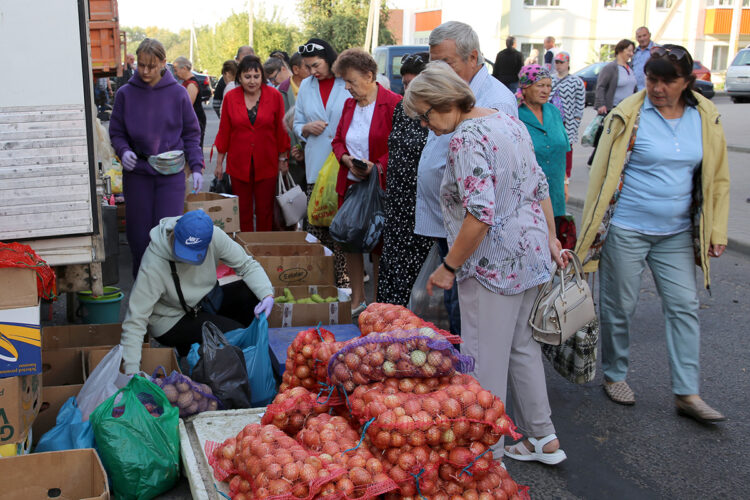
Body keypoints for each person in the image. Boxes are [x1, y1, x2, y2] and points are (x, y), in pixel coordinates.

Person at [404, 61, 568, 465]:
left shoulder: (465, 138)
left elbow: (480, 212)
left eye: (425, 116)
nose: (426, 125)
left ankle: (484, 449)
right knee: (522, 347)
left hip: (492, 263)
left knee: (483, 358)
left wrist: (450, 265)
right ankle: (542, 438)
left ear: (444, 101)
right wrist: (550, 238)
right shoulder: (508, 121)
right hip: (529, 255)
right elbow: (539, 185)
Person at [575, 45, 730, 423]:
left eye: (668, 81)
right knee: (620, 307)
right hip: (627, 228)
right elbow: (600, 178)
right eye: (652, 79)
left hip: (677, 232)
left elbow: (718, 177)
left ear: (688, 82)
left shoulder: (704, 116)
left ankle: (687, 392)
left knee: (684, 306)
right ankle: (615, 375)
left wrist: (718, 228)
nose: (658, 88)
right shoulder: (629, 114)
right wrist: (591, 232)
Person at [415, 21, 517, 337]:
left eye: (446, 63)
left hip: (476, 237)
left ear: (473, 57)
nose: (439, 70)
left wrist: (449, 266)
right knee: (458, 310)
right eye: (434, 63)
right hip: (451, 226)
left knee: (471, 322)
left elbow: (498, 194)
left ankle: (473, 380)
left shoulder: (494, 103)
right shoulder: (452, 93)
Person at [119, 210, 274, 374]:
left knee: (249, 295)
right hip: (171, 319)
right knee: (235, 334)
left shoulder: (215, 236)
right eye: (183, 251)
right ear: (175, 234)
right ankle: (196, 351)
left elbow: (246, 265)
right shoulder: (153, 263)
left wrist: (267, 294)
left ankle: (218, 355)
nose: (186, 261)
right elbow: (135, 321)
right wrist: (132, 373)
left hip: (204, 302)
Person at [109, 38, 203, 277]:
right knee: (139, 238)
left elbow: (191, 133)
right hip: (138, 175)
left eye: (151, 66)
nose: (145, 71)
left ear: (163, 63)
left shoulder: (178, 94)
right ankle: (142, 293)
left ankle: (168, 296)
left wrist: (197, 166)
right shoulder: (125, 94)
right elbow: (117, 131)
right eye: (141, 65)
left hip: (170, 176)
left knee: (167, 236)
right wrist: (124, 151)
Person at [330, 48, 402, 313]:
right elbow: (337, 140)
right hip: (350, 185)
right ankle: (357, 300)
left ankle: (379, 304)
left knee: (378, 245)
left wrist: (378, 166)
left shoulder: (394, 103)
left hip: (379, 187)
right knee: (351, 242)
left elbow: (400, 147)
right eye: (345, 82)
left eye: (351, 81)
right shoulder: (349, 104)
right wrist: (346, 159)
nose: (347, 88)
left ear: (370, 76)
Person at [293, 38, 351, 288]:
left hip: (343, 165)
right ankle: (321, 280)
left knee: (341, 226)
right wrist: (305, 128)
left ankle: (344, 282)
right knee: (317, 225)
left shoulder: (345, 81)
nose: (312, 71)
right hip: (316, 166)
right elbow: (296, 123)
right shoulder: (306, 86)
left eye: (316, 65)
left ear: (329, 59)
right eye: (307, 66)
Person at [377, 52, 434, 307]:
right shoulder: (402, 108)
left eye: (415, 84)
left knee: (414, 271)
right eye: (406, 83)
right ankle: (387, 323)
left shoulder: (437, 112)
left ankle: (409, 328)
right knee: (393, 266)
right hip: (397, 202)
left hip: (421, 205)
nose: (408, 89)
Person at [214, 55, 290, 232]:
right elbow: (224, 131)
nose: (252, 81)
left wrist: (283, 158)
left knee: (265, 211)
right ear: (239, 77)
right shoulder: (231, 97)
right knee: (242, 211)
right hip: (239, 163)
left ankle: (264, 252)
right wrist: (219, 163)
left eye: (256, 76)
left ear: (262, 76)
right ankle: (244, 252)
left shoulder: (274, 96)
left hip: (267, 161)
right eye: (247, 77)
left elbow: (281, 129)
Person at [551, 51, 585, 200]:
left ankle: (567, 174)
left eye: (561, 62)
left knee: (567, 147)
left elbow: (580, 101)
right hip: (551, 119)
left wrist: (577, 118)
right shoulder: (551, 79)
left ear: (567, 63)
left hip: (568, 120)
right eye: (556, 62)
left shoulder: (576, 81)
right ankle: (555, 171)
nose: (558, 65)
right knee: (552, 146)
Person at [595, 39, 637, 115]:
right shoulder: (611, 68)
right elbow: (601, 87)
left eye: (632, 51)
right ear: (620, 50)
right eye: (629, 51)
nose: (631, 54)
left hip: (627, 110)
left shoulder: (630, 68)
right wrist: (601, 104)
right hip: (613, 109)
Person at [173, 56, 207, 148]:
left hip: (196, 120)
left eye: (176, 70)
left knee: (194, 147)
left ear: (184, 68)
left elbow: (187, 106)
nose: (175, 73)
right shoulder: (186, 82)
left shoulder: (192, 84)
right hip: (193, 119)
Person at [633, 26, 656, 91]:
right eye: (639, 37)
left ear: (650, 35)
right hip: (634, 91)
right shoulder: (633, 52)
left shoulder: (657, 50)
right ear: (636, 38)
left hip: (651, 90)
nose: (642, 39)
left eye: (644, 35)